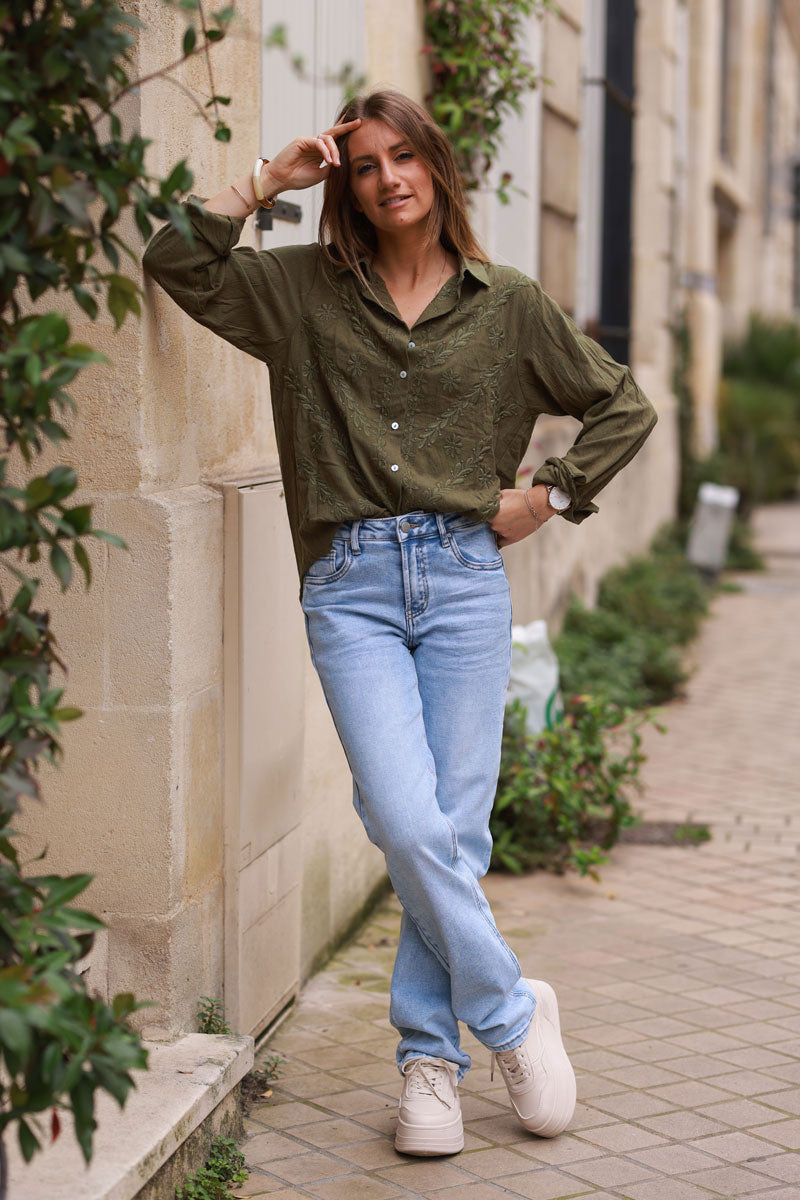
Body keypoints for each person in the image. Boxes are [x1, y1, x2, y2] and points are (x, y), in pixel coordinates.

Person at [142, 88, 657, 1157]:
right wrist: (266, 182)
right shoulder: (300, 292)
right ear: (349, 185)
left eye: (402, 156)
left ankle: (428, 1060)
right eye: (363, 165)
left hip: (467, 577)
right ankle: (511, 1012)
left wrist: (549, 497)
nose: (386, 179)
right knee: (405, 820)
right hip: (351, 584)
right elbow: (176, 265)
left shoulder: (506, 304)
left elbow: (622, 405)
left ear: (436, 165)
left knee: (453, 835)